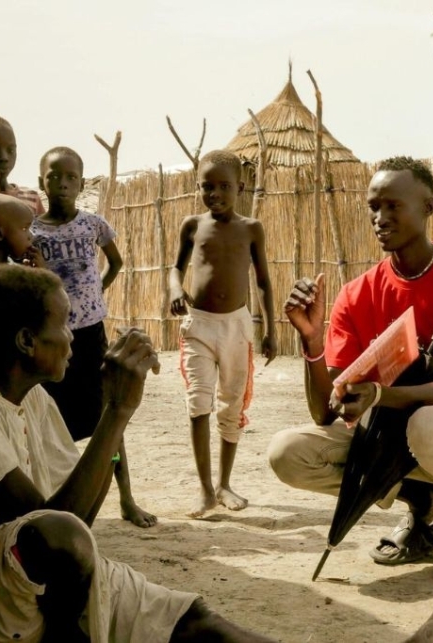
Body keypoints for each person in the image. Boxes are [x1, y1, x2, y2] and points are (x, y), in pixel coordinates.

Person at [0, 263, 433, 643]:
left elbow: (70, 518)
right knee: (62, 543)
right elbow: (54, 530)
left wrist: (114, 420)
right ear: (25, 341)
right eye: (64, 325)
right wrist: (116, 412)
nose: (74, 336)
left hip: (25, 582)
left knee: (194, 622)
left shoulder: (31, 404)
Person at [268, 156, 433, 582]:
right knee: (288, 453)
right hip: (393, 446)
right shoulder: (355, 295)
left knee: (429, 422)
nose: (380, 218)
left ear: (429, 207)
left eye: (392, 206)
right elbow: (327, 415)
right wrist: (311, 342)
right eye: (373, 207)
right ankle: (421, 501)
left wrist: (384, 395)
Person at [30, 146, 156, 528]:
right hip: (54, 336)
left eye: (71, 178)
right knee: (51, 416)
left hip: (90, 334)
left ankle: (126, 498)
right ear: (42, 182)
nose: (63, 184)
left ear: (82, 183)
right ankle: (60, 495)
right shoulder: (34, 232)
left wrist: (95, 293)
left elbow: (115, 262)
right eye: (54, 176)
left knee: (107, 413)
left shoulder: (93, 225)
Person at [169, 149, 277, 518]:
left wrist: (271, 329)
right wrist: (174, 289)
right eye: (207, 187)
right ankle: (204, 490)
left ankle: (224, 484)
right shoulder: (192, 226)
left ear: (241, 187)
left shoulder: (251, 229)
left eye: (224, 187)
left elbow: (263, 281)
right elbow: (175, 269)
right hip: (198, 324)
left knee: (231, 406)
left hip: (236, 327)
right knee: (198, 401)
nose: (215, 194)